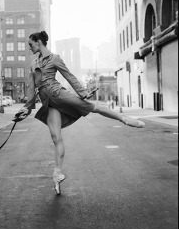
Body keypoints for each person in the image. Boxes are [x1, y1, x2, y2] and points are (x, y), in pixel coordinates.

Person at [14, 31, 145, 195]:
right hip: (48, 103)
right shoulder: (33, 64)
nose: (29, 47)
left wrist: (82, 92)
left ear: (39, 42)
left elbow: (69, 76)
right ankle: (57, 174)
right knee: (56, 138)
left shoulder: (54, 58)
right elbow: (31, 89)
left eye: (31, 44)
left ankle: (124, 118)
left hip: (58, 95)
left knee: (91, 107)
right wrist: (25, 109)